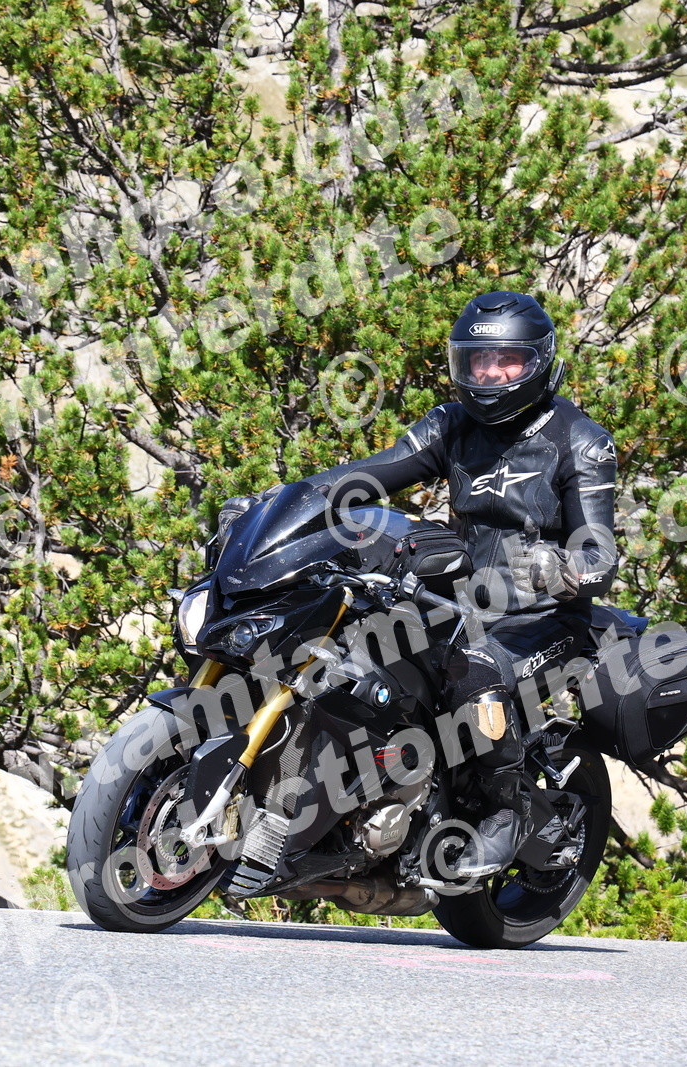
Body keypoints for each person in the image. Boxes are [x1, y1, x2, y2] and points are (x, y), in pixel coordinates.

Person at [235, 291, 618, 877]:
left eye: (507, 361)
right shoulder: (452, 425)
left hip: (543, 617)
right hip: (457, 603)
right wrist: (282, 505)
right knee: (351, 649)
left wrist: (564, 567)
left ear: (538, 362)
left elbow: (599, 552)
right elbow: (367, 475)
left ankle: (505, 811)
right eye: (478, 361)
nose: (490, 375)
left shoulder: (580, 441)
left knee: (477, 667)